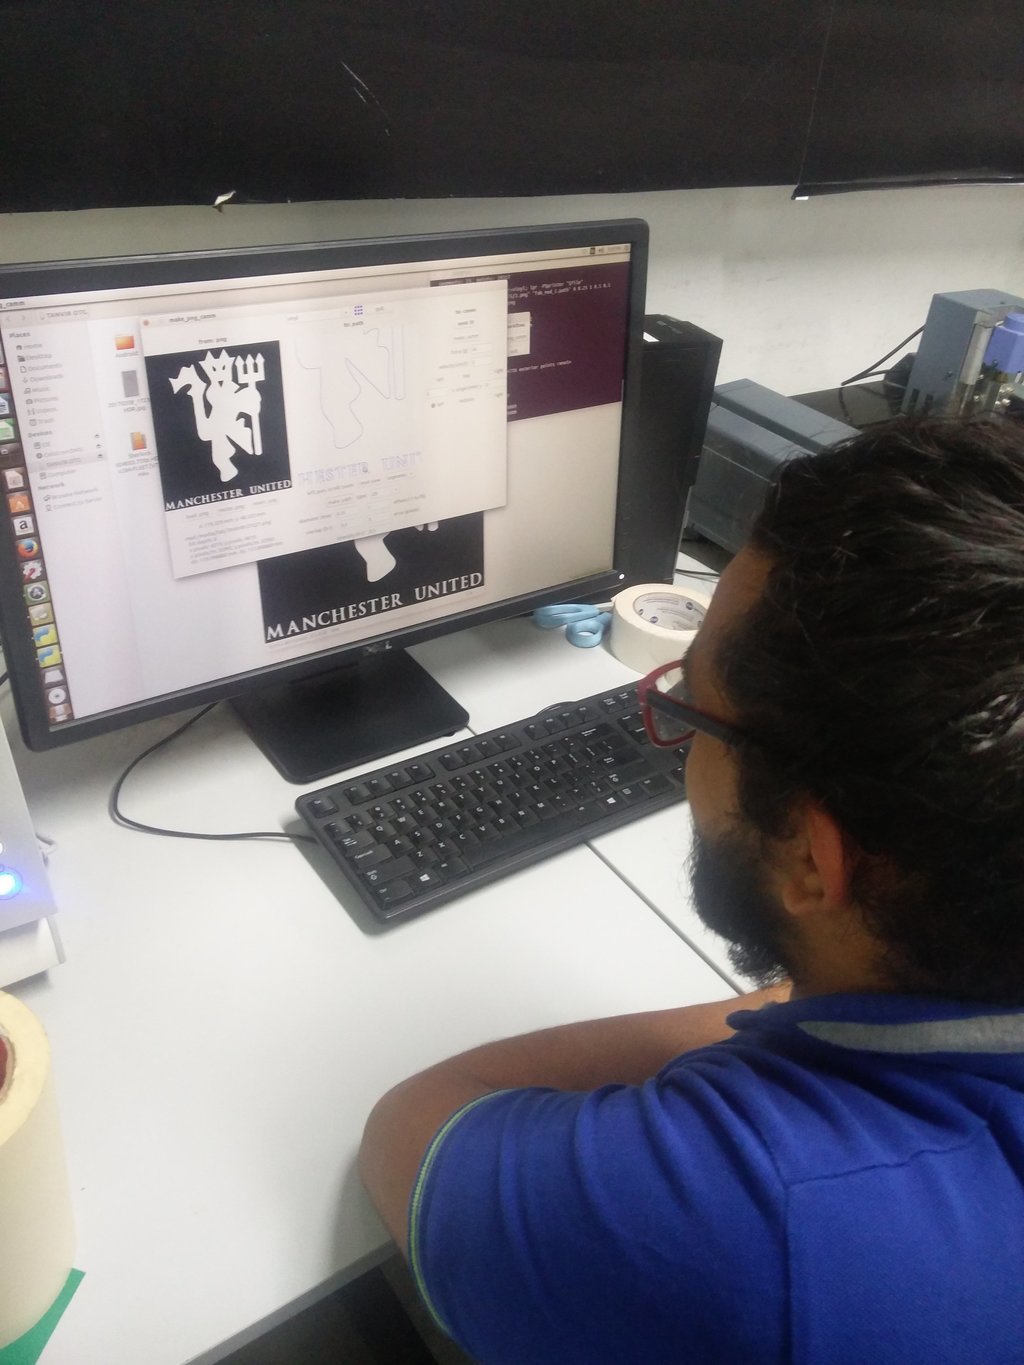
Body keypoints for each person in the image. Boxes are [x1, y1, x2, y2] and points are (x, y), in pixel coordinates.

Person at [359, 416, 1024, 1364]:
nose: (682, 746)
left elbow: (412, 1128)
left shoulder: (747, 1218)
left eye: (696, 710)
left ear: (812, 859)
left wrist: (787, 1013)